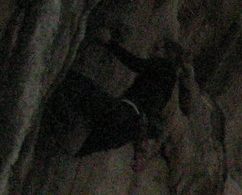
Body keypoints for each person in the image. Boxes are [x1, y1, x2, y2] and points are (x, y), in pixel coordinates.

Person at [52, 37, 184, 159]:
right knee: (78, 149)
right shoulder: (168, 86)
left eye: (157, 49)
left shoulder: (164, 67)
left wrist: (109, 42)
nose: (151, 51)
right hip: (124, 133)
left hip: (123, 115)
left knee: (73, 82)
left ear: (167, 55)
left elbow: (135, 63)